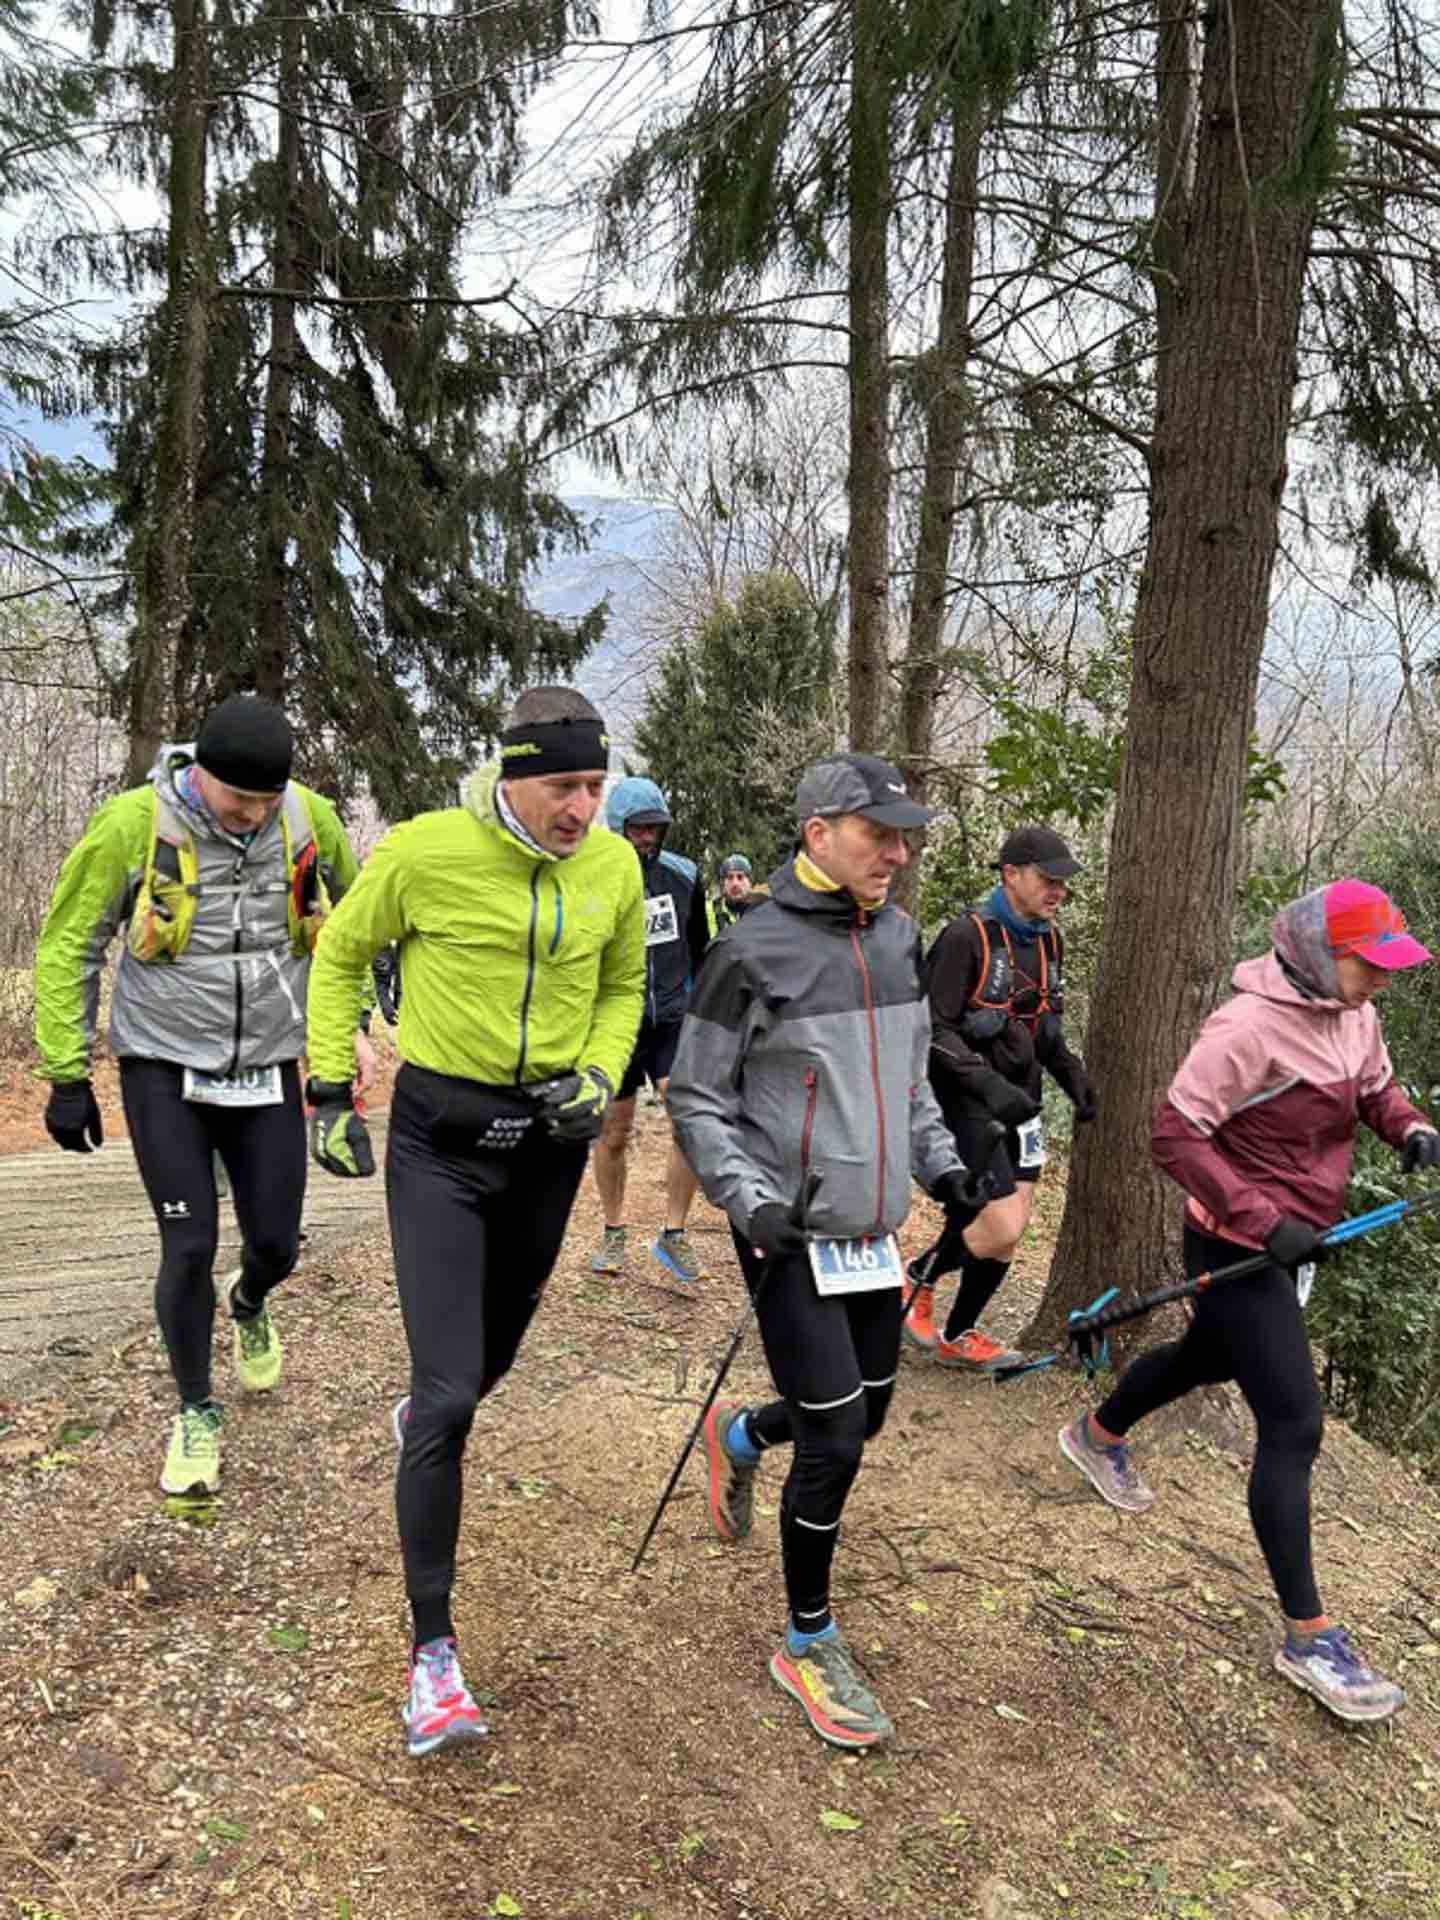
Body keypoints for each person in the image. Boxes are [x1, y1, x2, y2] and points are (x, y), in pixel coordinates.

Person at [304, 686, 645, 1758]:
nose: (582, 809)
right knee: (450, 1398)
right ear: (513, 777)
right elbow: (339, 954)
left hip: (548, 1149)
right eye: (564, 786)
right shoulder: (425, 852)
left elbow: (624, 988)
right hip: (441, 1148)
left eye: (595, 787)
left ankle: (429, 1418)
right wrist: (328, 1088)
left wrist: (600, 1074)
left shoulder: (614, 868)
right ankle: (434, 1658)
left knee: (486, 1367)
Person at [668, 751, 993, 1751]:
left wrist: (943, 1170)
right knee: (838, 1439)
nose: (897, 853)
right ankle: (808, 1640)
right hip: (788, 1233)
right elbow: (698, 1099)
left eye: (904, 837)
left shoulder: (896, 939)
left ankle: (739, 1437)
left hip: (872, 1232)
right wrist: (751, 1204)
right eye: (876, 834)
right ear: (818, 835)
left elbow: (909, 1084)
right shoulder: (748, 951)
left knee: (869, 1410)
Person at [1059, 879, 1439, 1725]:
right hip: (1237, 1243)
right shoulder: (1246, 1027)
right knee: (1294, 1421)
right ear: (1319, 955)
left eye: (1389, 966)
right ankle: (1309, 1637)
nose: (1382, 980)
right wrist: (1264, 1222)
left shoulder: (1355, 1014)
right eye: (1369, 964)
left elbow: (1375, 1090)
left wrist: (1410, 1127)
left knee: (1207, 1358)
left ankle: (1097, 1434)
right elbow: (1174, 1134)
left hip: (1297, 1239)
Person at [33, 694, 368, 1497]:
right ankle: (195, 1410)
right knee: (188, 1246)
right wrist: (67, 1074)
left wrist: (353, 1020)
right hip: (163, 1062)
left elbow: (357, 924)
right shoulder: (133, 824)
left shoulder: (308, 818)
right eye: (238, 798)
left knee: (277, 1244)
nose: (254, 815)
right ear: (199, 774)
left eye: (266, 800)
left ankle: (249, 1302)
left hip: (268, 1061)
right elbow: (70, 943)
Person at [904, 824, 1096, 1372]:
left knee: (1009, 1233)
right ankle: (917, 1277)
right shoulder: (965, 938)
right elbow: (932, 1030)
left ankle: (959, 1334)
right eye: (1048, 879)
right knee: (1001, 1224)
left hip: (1023, 1103)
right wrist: (987, 1084)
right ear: (1010, 874)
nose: (1058, 891)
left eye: (1063, 882)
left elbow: (1046, 1032)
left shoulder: (1050, 941)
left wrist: (1074, 1079)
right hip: (967, 1101)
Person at [591, 776, 712, 1286]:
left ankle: (674, 1232)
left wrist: (700, 1008)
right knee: (614, 1132)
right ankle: (612, 1229)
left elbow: (702, 949)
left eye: (654, 829)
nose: (647, 838)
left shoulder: (684, 875)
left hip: (672, 1020)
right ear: (617, 827)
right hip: (616, 1025)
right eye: (637, 828)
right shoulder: (591, 877)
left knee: (688, 1119)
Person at [714, 852, 764, 928]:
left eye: (740, 877)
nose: (735, 883)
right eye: (730, 877)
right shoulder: (713, 911)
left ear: (750, 882)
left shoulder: (763, 910)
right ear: (723, 883)